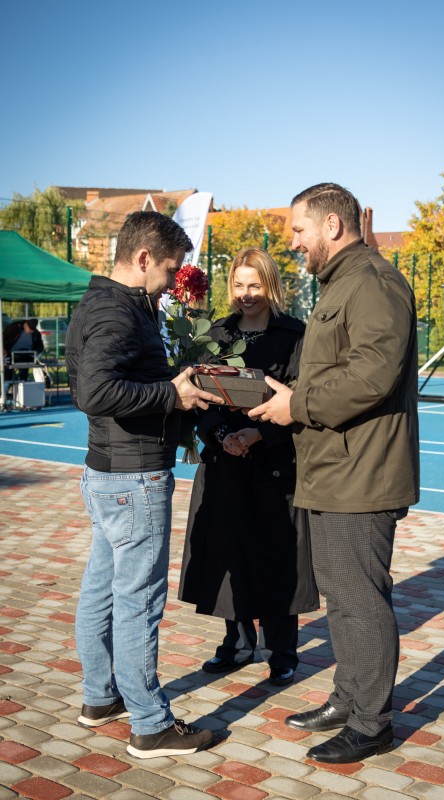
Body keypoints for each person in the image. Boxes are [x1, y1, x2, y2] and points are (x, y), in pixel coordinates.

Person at [248, 183, 420, 764]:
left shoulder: (373, 283)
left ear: (332, 224)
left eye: (298, 230)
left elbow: (372, 375)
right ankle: (350, 698)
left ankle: (372, 724)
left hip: (361, 475)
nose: (292, 242)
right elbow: (337, 374)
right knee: (341, 598)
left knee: (361, 600)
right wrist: (290, 395)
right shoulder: (341, 283)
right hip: (332, 471)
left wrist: (294, 406)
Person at [66, 212, 223, 760]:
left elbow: (90, 380)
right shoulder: (117, 311)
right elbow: (94, 391)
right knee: (138, 602)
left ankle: (99, 696)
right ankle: (151, 725)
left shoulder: (97, 303)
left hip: (106, 473)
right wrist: (170, 397)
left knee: (102, 588)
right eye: (170, 268)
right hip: (132, 479)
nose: (173, 279)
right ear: (142, 260)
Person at [179, 248, 319, 685]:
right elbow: (199, 397)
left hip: (276, 462)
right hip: (225, 461)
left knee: (278, 554)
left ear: (271, 285)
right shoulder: (217, 333)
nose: (246, 294)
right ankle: (236, 644)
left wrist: (258, 434)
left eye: (255, 285)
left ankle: (282, 650)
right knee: (228, 551)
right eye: (239, 285)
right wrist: (222, 435)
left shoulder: (297, 334)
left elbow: (301, 398)